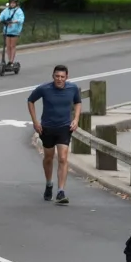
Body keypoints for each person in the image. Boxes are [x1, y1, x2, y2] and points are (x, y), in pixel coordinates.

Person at [26, 64, 82, 204]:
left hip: (64, 127)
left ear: (66, 77)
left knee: (63, 158)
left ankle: (61, 191)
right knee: (49, 158)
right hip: (47, 128)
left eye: (62, 77)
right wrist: (35, 121)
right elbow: (30, 100)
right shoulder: (44, 89)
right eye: (57, 76)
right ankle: (49, 184)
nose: (59, 79)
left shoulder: (72, 88)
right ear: (53, 76)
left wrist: (76, 119)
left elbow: (78, 102)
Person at [0, 0, 25, 66]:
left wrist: (16, 21)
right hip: (7, 31)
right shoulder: (6, 10)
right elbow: (1, 15)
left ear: (16, 3)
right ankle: (9, 60)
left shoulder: (19, 11)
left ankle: (11, 61)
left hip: (15, 31)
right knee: (8, 46)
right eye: (11, 3)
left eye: (14, 3)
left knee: (12, 46)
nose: (12, 4)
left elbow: (21, 19)